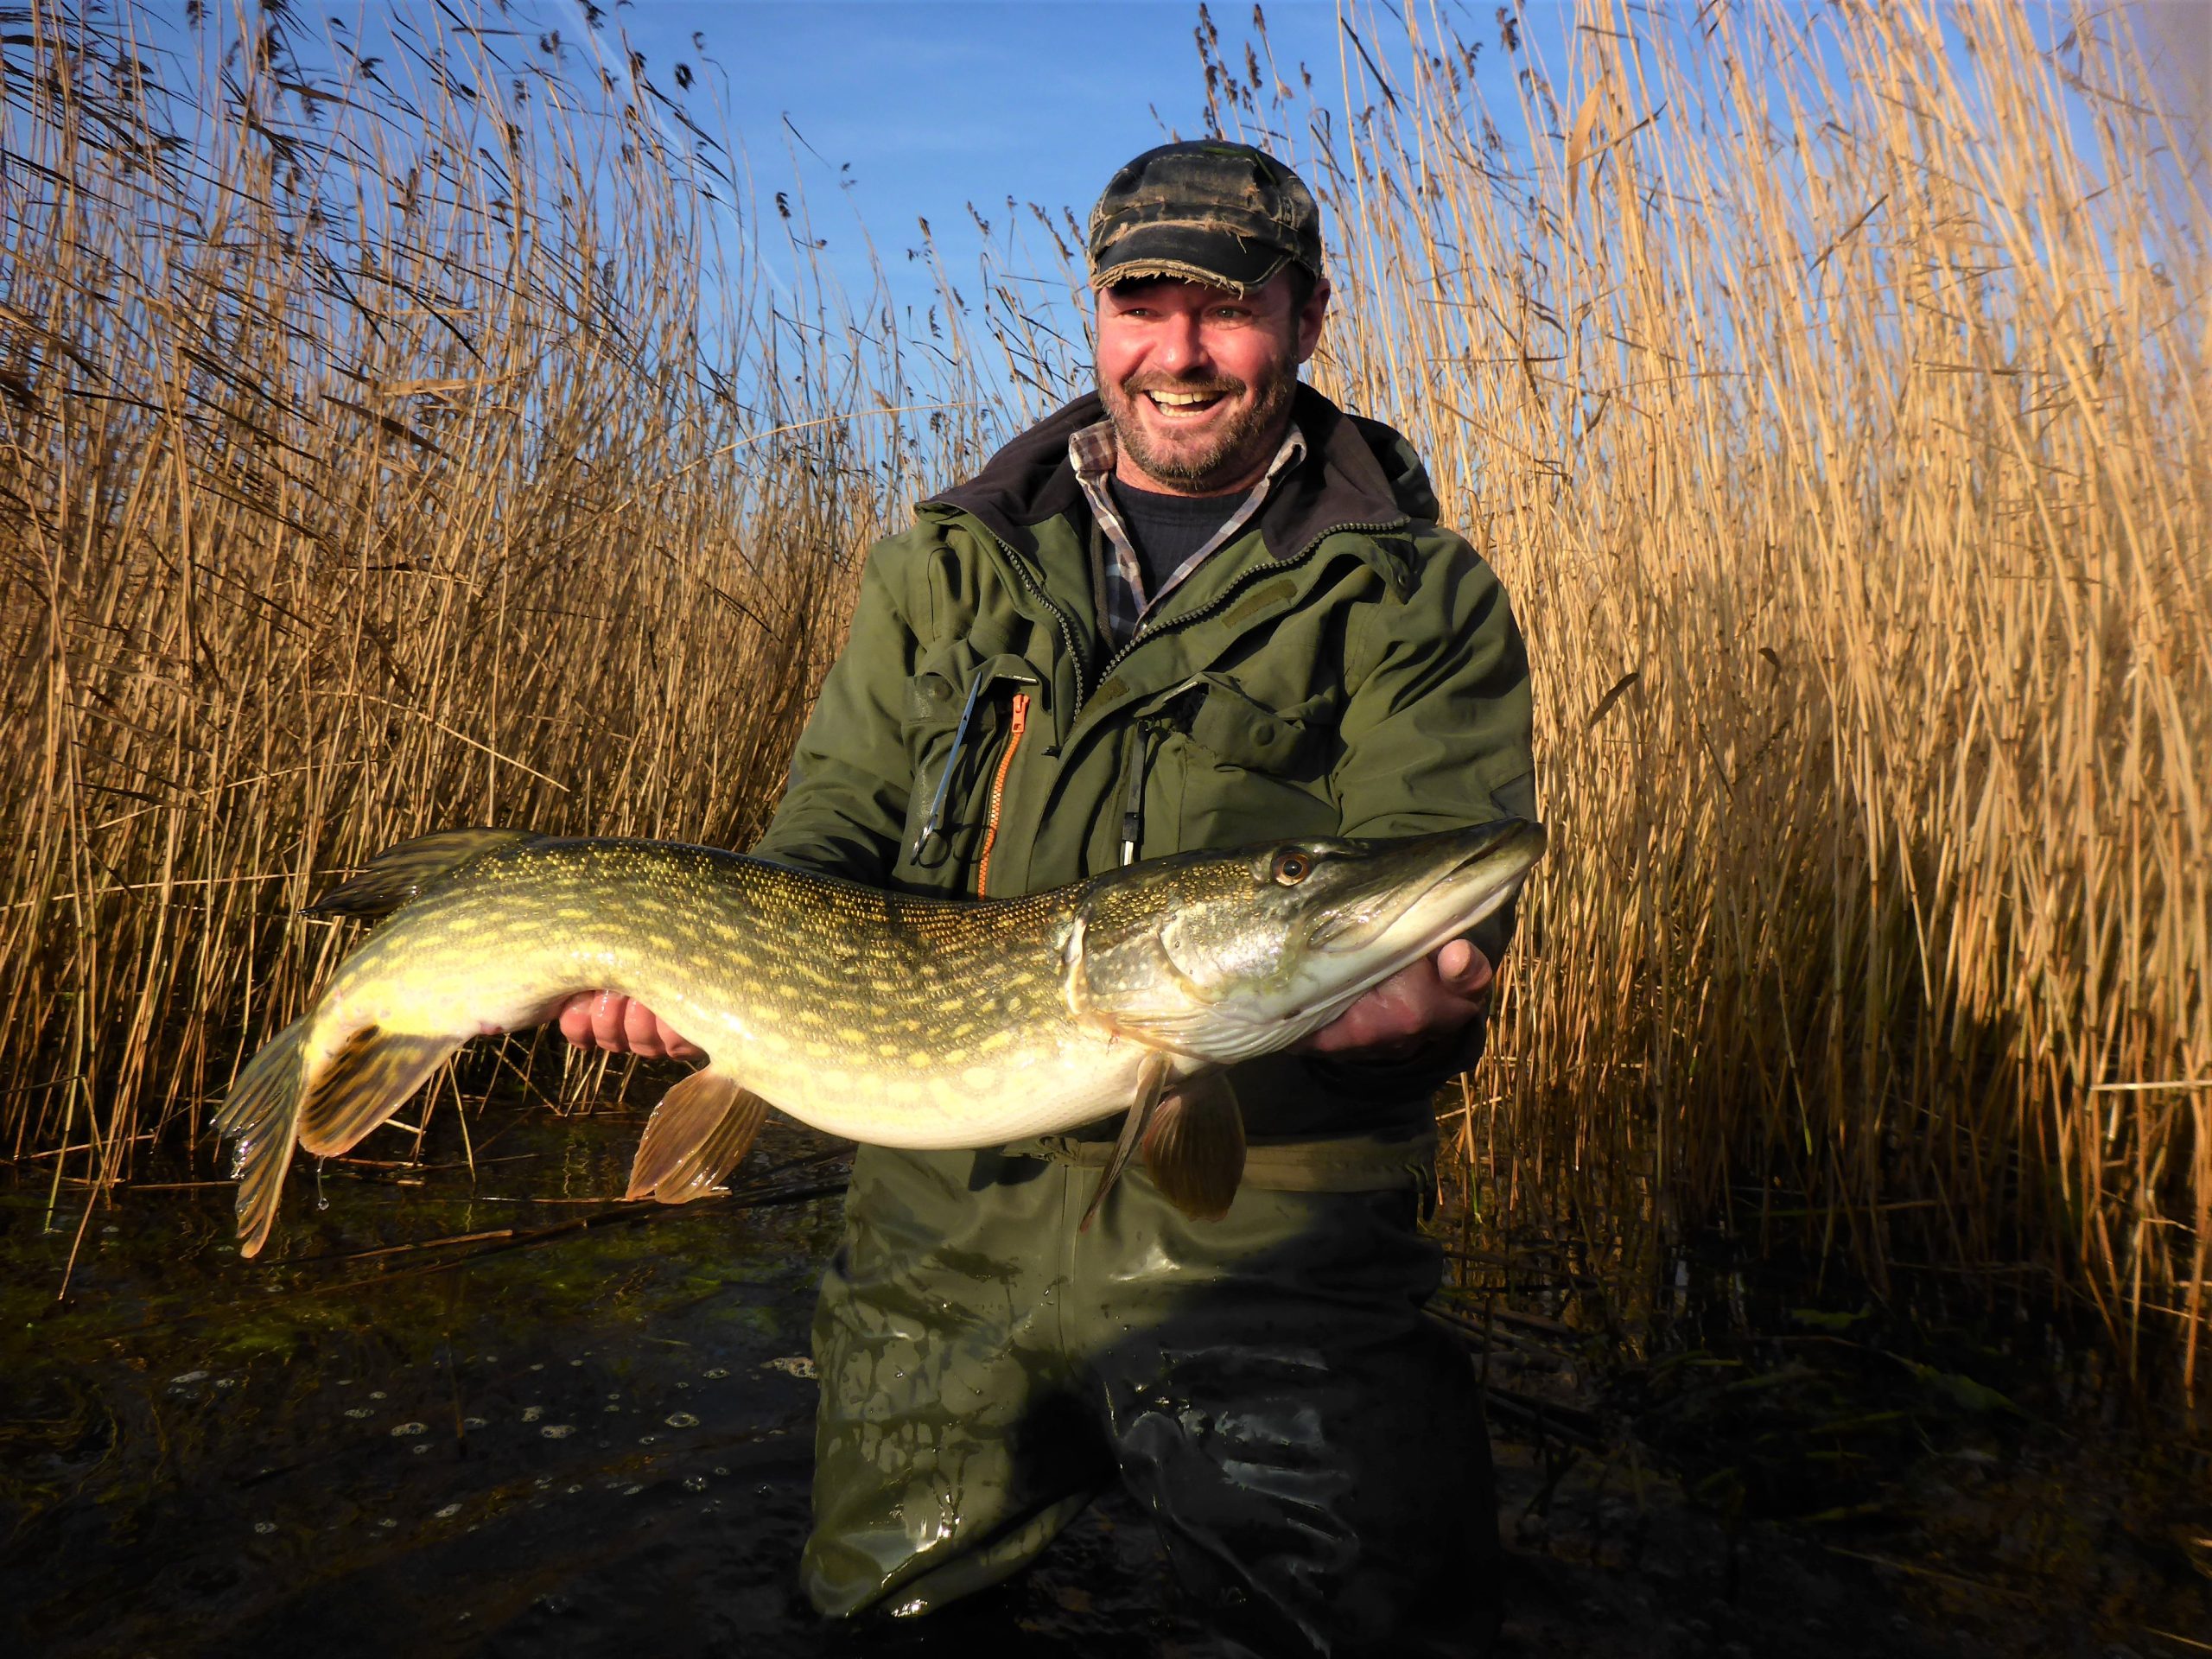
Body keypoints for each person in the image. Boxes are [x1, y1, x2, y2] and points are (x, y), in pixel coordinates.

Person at [557, 141, 1535, 1658]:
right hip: (938, 1246)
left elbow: (1430, 868)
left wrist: (1408, 1021)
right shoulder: (951, 564)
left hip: (1267, 1251)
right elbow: (828, 837)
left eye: (1228, 307)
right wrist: (705, 982)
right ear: (1099, 318)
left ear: (1308, 317)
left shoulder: (1411, 592)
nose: (1182, 352)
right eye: (1146, 304)